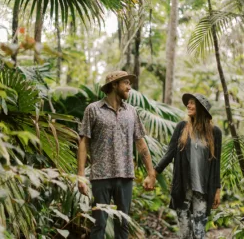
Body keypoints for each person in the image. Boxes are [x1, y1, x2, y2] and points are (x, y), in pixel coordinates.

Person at [77, 71, 156, 239]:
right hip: (100, 176)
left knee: (123, 225)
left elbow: (141, 143)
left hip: (125, 175)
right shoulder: (93, 110)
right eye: (126, 83)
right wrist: (81, 175)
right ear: (114, 85)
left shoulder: (131, 112)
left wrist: (151, 172)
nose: (129, 87)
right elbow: (84, 142)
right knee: (99, 224)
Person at [150, 93, 222, 239]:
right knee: (184, 234)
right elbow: (169, 154)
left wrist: (217, 190)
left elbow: (216, 164)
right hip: (183, 187)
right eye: (188, 103)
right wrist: (153, 173)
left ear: (201, 108)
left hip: (203, 190)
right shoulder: (182, 127)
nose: (188, 106)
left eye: (192, 103)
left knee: (199, 233)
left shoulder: (215, 132)